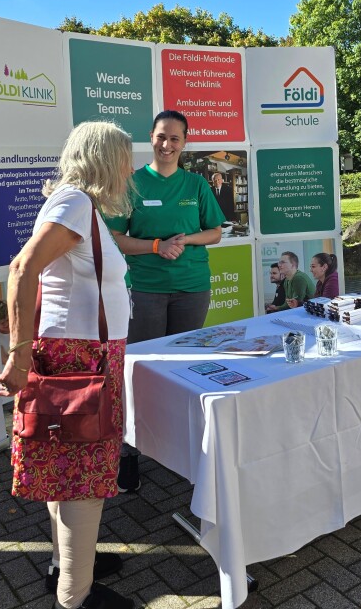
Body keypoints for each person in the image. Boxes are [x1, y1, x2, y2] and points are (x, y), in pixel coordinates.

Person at [0, 121, 135, 609]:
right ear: (103, 159)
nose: (129, 168)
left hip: (81, 353)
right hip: (80, 357)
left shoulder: (77, 204)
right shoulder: (75, 202)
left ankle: (68, 564)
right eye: (124, 158)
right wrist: (18, 352)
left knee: (66, 465)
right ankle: (75, 596)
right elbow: (22, 267)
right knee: (84, 473)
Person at [106, 110, 223, 493]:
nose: (167, 145)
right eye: (161, 137)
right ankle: (129, 453)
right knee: (138, 372)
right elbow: (116, 238)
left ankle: (181, 447)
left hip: (192, 288)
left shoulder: (196, 184)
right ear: (150, 138)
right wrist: (157, 246)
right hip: (146, 291)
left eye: (175, 138)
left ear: (185, 142)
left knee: (185, 370)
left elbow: (215, 232)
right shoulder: (133, 184)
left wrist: (184, 240)